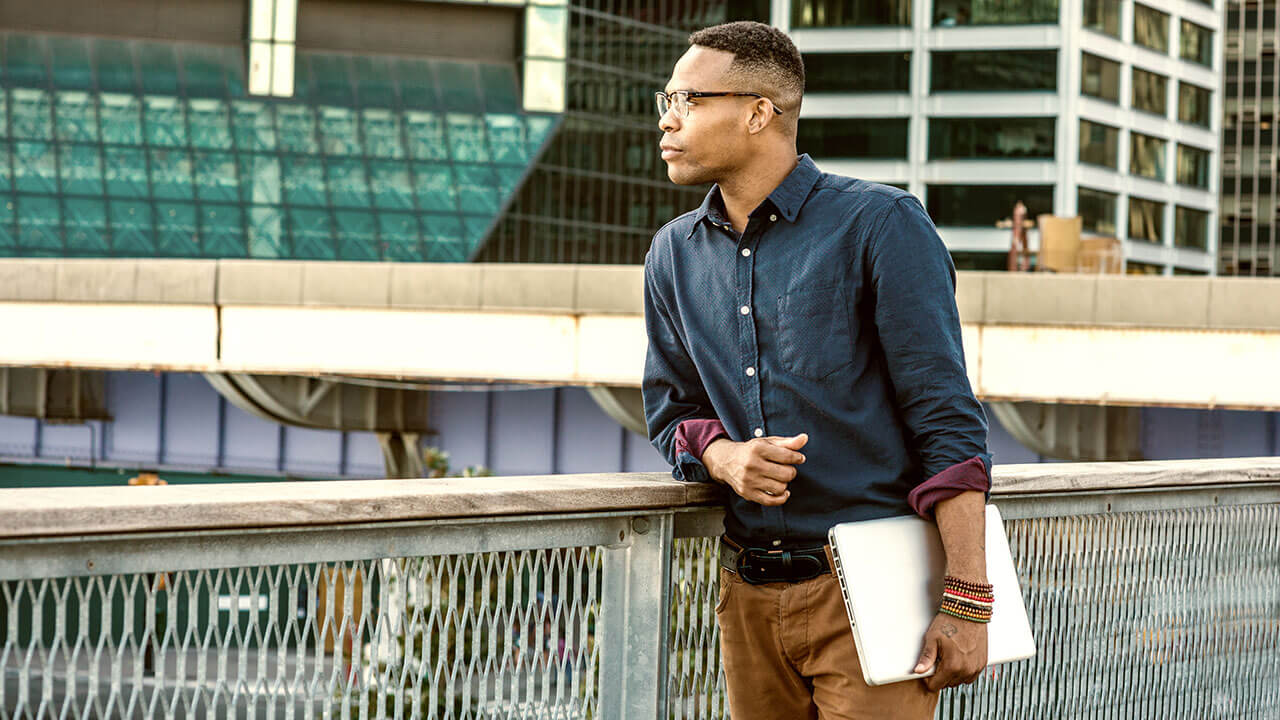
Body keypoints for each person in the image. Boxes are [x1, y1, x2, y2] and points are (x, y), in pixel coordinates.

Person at [642, 22, 994, 719]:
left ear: (757, 112)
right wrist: (724, 457)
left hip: (872, 590)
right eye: (665, 100)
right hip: (744, 593)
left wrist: (968, 601)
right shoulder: (672, 254)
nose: (667, 119)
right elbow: (670, 410)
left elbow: (946, 420)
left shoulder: (881, 224)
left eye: (686, 99)